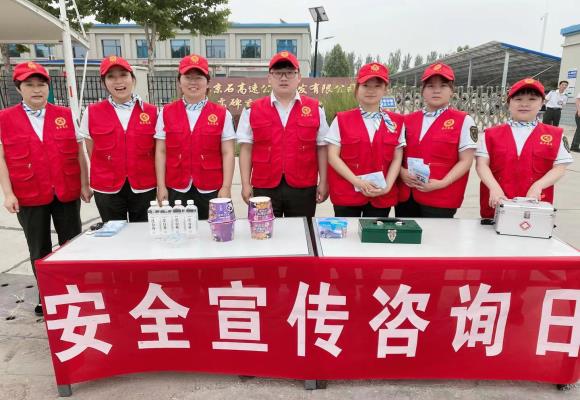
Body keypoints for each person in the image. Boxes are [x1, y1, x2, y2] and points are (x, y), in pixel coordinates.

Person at [0, 62, 91, 316]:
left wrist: (85, 184)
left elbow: (80, 153)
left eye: (41, 84)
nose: (36, 90)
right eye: (29, 85)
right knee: (39, 249)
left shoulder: (65, 114)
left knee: (71, 245)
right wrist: (8, 193)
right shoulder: (5, 118)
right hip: (28, 194)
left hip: (65, 190)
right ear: (19, 88)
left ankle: (75, 292)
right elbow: (2, 159)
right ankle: (47, 296)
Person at [237, 51, 329, 217]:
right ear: (269, 77)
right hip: (264, 185)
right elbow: (246, 149)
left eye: (289, 72)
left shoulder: (315, 108)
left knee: (302, 230)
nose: (284, 78)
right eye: (278, 73)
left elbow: (322, 147)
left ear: (299, 77)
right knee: (264, 230)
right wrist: (245, 183)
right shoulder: (252, 109)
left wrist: (323, 181)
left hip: (303, 186)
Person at [476, 78, 573, 218]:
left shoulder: (556, 135)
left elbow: (560, 168)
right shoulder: (490, 134)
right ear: (509, 103)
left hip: (535, 206)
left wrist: (538, 186)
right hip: (496, 204)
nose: (524, 104)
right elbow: (481, 165)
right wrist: (494, 188)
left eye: (532, 99)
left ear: (542, 103)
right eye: (518, 99)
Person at [155, 54, 235, 220]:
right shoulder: (166, 112)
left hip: (211, 186)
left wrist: (226, 186)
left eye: (198, 77)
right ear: (179, 82)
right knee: (179, 230)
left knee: (213, 230)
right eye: (188, 77)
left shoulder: (222, 114)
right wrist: (161, 186)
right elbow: (161, 151)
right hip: (176, 187)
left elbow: (228, 152)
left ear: (208, 82)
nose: (193, 82)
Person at [79, 56, 157, 222]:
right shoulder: (92, 112)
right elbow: (91, 151)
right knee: (112, 233)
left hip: (144, 186)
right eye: (111, 77)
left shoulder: (152, 112)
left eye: (123, 75)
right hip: (107, 188)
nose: (118, 81)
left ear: (132, 79)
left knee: (143, 233)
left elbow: (158, 151)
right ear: (103, 83)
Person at [396, 62, 477, 218]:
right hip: (407, 195)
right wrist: (401, 172)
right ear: (423, 91)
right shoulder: (406, 120)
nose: (437, 90)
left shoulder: (463, 121)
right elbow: (395, 154)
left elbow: (466, 161)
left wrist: (443, 183)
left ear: (452, 91)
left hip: (441, 195)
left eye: (443, 86)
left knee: (437, 234)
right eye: (431, 86)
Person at [325, 62, 404, 217]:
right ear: (357, 89)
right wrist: (358, 182)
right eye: (366, 85)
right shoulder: (342, 119)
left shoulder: (396, 122)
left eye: (377, 86)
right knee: (347, 231)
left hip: (380, 194)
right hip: (347, 193)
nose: (371, 90)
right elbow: (332, 156)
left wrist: (387, 187)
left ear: (385, 90)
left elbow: (397, 158)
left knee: (375, 231)